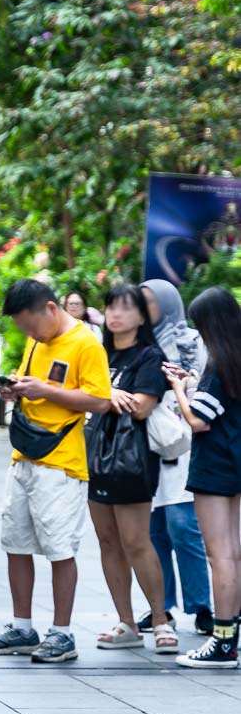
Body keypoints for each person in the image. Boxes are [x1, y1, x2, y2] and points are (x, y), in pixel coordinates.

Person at [0, 279, 111, 664]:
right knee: (14, 542)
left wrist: (46, 391)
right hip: (25, 458)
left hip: (62, 462)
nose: (29, 334)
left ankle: (62, 633)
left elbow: (99, 400)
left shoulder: (85, 343)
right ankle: (22, 626)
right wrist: (15, 389)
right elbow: (32, 382)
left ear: (51, 309)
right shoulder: (38, 340)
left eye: (31, 326)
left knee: (59, 548)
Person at [85, 285, 175, 652]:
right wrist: (107, 394)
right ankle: (126, 622)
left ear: (142, 316)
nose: (115, 314)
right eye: (111, 307)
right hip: (95, 458)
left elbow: (141, 407)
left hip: (132, 462)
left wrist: (104, 395)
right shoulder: (98, 353)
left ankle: (160, 620)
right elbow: (83, 393)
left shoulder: (150, 356)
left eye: (125, 307)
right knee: (108, 541)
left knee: (137, 542)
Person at [168, 287, 241, 669]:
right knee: (233, 552)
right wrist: (194, 382)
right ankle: (232, 635)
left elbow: (198, 420)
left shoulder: (221, 364)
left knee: (221, 555)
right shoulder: (233, 360)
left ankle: (223, 641)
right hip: (235, 463)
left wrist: (180, 388)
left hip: (215, 468)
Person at [140, 279, 214, 635]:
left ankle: (202, 606)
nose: (144, 308)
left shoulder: (193, 342)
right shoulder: (137, 344)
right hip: (146, 447)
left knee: (184, 527)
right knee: (154, 532)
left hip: (183, 444)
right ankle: (161, 607)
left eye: (150, 302)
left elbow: (209, 385)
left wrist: (183, 384)